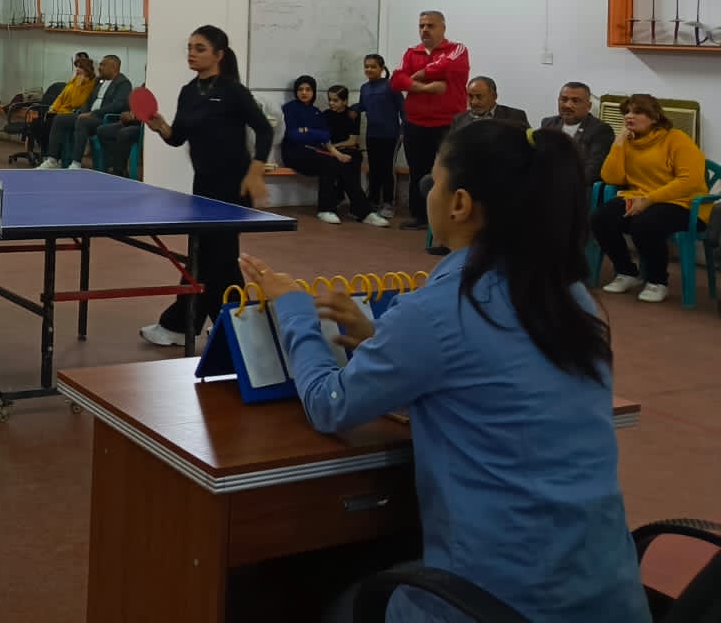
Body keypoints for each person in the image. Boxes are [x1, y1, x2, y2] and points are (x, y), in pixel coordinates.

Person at [241, 124, 649, 623]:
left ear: (459, 204)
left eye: (433, 182)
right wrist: (380, 339)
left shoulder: (442, 307)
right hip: (607, 596)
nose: (428, 193)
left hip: (494, 605)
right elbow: (487, 369)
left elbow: (331, 404)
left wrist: (293, 309)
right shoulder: (569, 295)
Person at [137, 26, 272, 349]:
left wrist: (255, 174)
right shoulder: (189, 91)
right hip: (204, 184)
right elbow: (178, 138)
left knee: (215, 256)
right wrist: (160, 127)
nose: (192, 53)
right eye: (189, 47)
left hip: (233, 184)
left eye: (200, 48)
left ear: (218, 55)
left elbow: (264, 130)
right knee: (212, 257)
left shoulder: (233, 91)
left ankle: (187, 324)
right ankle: (234, 325)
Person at [591, 93, 710, 304]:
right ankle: (627, 272)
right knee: (601, 218)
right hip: (640, 198)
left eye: (637, 112)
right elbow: (611, 177)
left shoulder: (676, 139)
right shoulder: (628, 141)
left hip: (683, 203)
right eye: (627, 112)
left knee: (645, 224)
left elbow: (690, 180)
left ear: (654, 117)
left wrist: (649, 199)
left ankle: (657, 281)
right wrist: (618, 144)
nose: (629, 116)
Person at [389, 11, 469, 238]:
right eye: (421, 26)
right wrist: (426, 87)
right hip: (416, 123)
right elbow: (396, 80)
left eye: (430, 25)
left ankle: (450, 216)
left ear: (443, 28)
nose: (425, 30)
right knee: (418, 171)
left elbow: (448, 67)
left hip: (448, 123)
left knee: (450, 171)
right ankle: (420, 216)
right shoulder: (411, 52)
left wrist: (421, 73)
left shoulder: (457, 49)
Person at [319, 85, 383, 226]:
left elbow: (352, 141)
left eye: (335, 100)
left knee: (352, 159)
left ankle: (339, 201)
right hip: (331, 152)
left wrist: (336, 146)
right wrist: (336, 149)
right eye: (330, 100)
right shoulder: (325, 115)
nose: (331, 103)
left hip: (347, 150)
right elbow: (325, 141)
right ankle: (362, 210)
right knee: (342, 164)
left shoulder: (352, 114)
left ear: (345, 101)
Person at [60, 54, 132, 171]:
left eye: (103, 65)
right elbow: (87, 100)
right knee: (60, 119)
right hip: (89, 116)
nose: (99, 68)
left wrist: (93, 114)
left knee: (82, 121)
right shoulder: (99, 81)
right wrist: (83, 112)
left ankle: (76, 162)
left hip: (105, 119)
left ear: (113, 67)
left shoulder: (123, 83)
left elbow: (117, 105)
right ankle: (52, 159)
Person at [540, 81, 615, 185]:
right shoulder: (548, 123)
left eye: (575, 101)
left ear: (588, 106)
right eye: (564, 99)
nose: (568, 105)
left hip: (576, 187)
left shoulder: (601, 130)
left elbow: (592, 171)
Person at [357, 53, 402, 219]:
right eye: (366, 66)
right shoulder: (364, 88)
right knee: (374, 168)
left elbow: (403, 109)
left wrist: (403, 131)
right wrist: (352, 109)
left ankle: (388, 203)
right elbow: (362, 106)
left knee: (387, 169)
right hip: (372, 135)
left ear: (381, 68)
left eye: (373, 66)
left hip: (390, 135)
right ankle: (373, 201)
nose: (369, 69)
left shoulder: (391, 86)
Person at [37, 54, 97, 169]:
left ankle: (54, 158)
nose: (77, 69)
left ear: (87, 70)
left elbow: (76, 103)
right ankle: (47, 156)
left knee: (52, 123)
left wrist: (79, 85)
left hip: (71, 112)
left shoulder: (89, 84)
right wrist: (53, 108)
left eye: (80, 67)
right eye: (77, 67)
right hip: (60, 111)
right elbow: (61, 96)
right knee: (38, 124)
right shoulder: (74, 80)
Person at [448, 76, 529, 132]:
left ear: (494, 96)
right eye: (470, 96)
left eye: (479, 96)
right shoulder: (459, 120)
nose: (474, 102)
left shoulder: (515, 117)